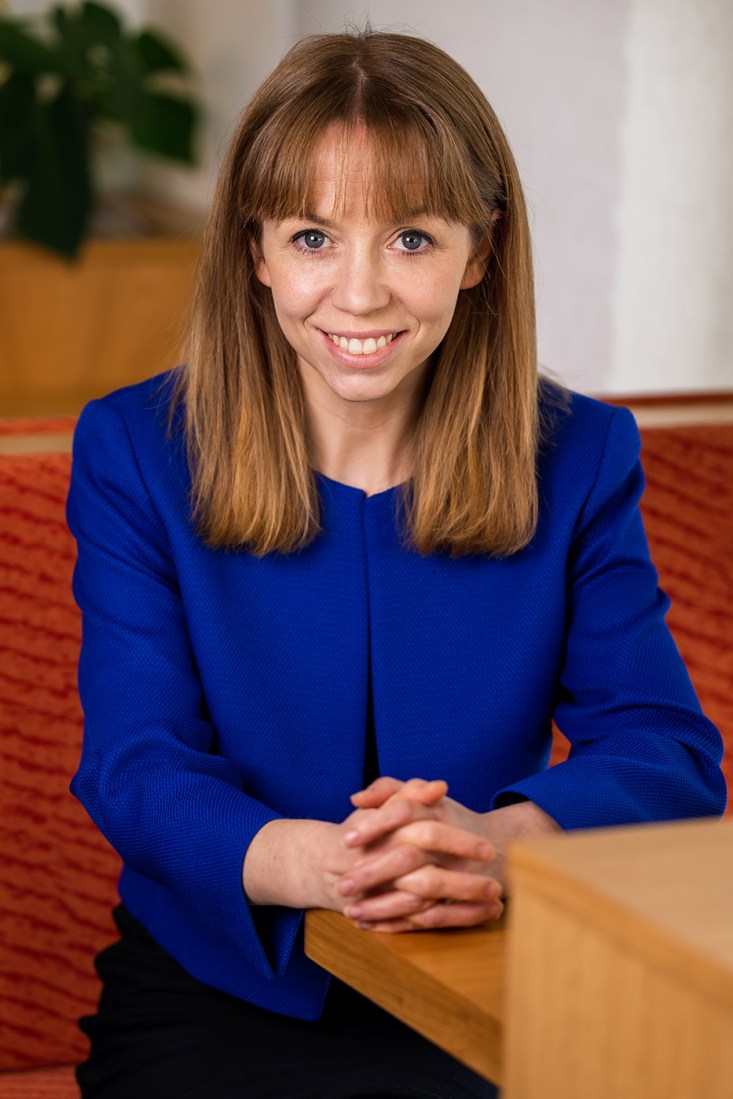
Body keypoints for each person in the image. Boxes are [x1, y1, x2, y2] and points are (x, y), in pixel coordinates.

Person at [67, 27, 726, 1099]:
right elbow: (137, 766)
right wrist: (319, 865)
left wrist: (492, 842)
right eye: (315, 236)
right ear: (255, 250)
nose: (361, 294)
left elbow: (663, 748)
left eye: (412, 238)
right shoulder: (136, 451)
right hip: (223, 985)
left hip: (493, 965)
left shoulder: (582, 454)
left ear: (482, 253)